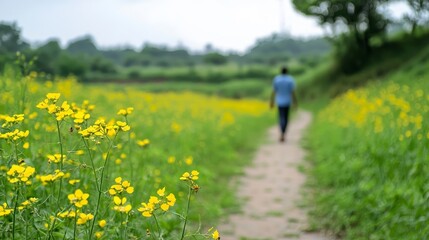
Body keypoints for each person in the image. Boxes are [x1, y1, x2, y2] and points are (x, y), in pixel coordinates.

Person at [270, 66, 298, 142]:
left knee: (281, 117)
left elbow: (274, 92)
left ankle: (282, 133)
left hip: (279, 102)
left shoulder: (277, 80)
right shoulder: (290, 80)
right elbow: (293, 92)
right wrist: (295, 102)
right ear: (287, 71)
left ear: (280, 71)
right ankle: (283, 133)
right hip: (287, 102)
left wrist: (271, 102)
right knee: (286, 118)